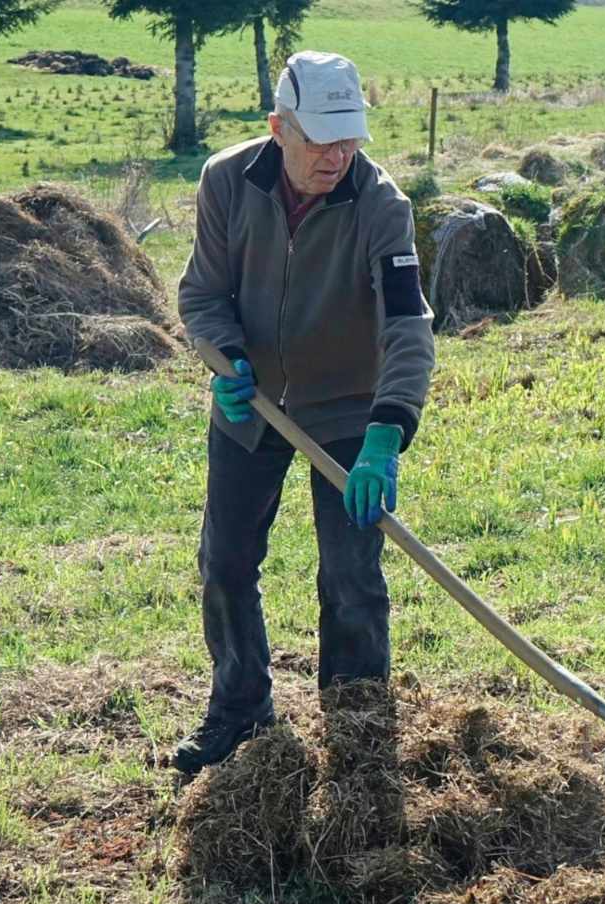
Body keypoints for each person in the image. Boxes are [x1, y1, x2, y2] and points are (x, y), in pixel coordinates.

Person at [172, 51, 436, 775]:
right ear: (278, 127)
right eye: (320, 138)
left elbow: (407, 326)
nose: (337, 155)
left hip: (351, 410)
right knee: (225, 563)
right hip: (251, 403)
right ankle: (239, 713)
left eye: (348, 137)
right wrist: (224, 360)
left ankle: (356, 735)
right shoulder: (226, 182)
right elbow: (201, 295)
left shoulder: (382, 206)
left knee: (351, 578)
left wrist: (387, 429)